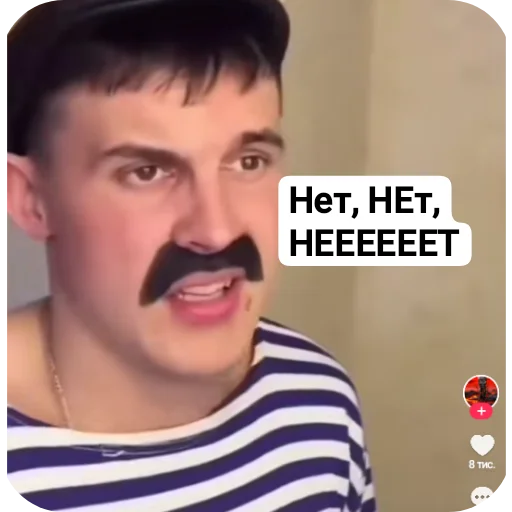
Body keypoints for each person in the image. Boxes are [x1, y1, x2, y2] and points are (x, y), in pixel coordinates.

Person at [5, 1, 377, 511]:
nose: (217, 231)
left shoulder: (319, 397)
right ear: (32, 201)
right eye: (147, 173)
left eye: (249, 162)